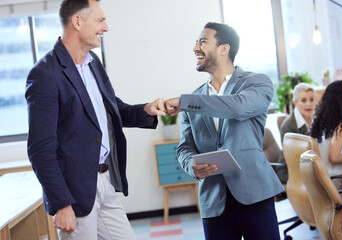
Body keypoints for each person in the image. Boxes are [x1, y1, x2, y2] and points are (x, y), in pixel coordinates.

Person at [25, 0, 167, 239]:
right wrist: (61, 204)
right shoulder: (44, 74)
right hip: (74, 192)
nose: (106, 27)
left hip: (105, 180)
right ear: (77, 21)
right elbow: (40, 150)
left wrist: (147, 109)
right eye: (100, 20)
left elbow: (112, 111)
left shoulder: (93, 63)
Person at [165, 22, 284, 240]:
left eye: (202, 41)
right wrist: (191, 165)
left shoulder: (257, 83)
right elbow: (184, 147)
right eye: (195, 42)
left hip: (254, 192)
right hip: (213, 198)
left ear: (224, 49)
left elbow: (237, 107)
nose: (195, 48)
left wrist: (185, 101)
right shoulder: (194, 98)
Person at [311, 80, 342, 203]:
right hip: (334, 187)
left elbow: (332, 151)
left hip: (320, 186)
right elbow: (334, 156)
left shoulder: (322, 120)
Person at [276, 82, 315, 183]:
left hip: (308, 166)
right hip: (291, 170)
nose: (308, 104)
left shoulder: (315, 118)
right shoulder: (288, 126)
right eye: (303, 100)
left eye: (311, 99)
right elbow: (295, 156)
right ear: (295, 103)